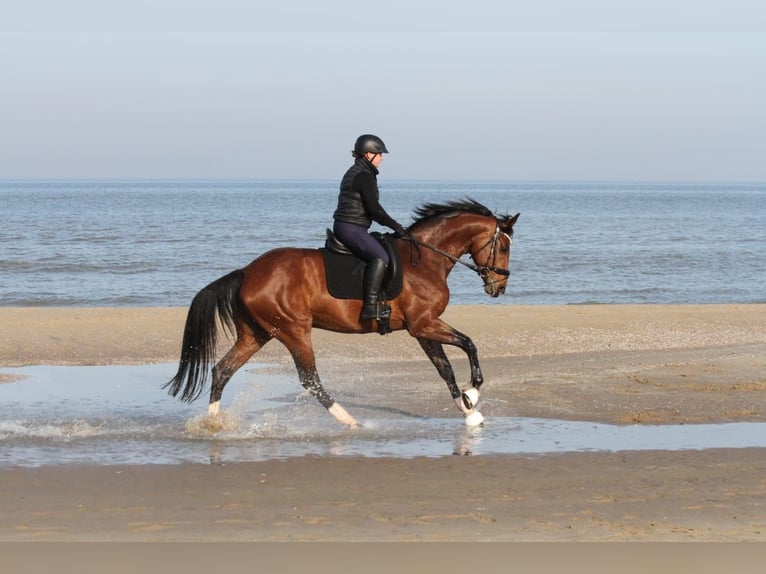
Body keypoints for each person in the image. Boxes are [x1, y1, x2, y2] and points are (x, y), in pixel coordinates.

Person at [332, 134, 407, 321]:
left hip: (350, 226)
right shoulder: (364, 175)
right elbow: (374, 209)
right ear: (368, 154)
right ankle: (370, 307)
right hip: (351, 227)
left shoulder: (357, 171)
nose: (381, 157)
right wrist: (396, 226)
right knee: (381, 256)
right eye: (379, 153)